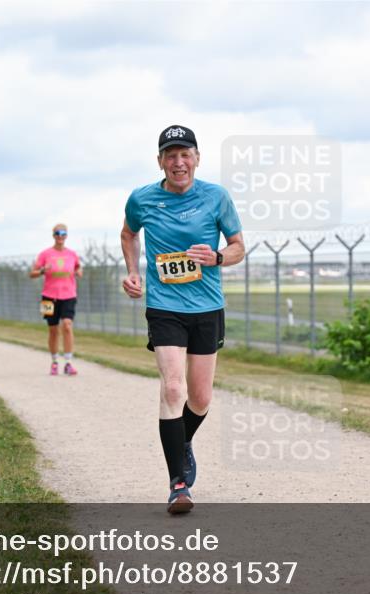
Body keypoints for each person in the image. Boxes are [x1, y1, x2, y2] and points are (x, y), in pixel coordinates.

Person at [121, 125, 246, 514]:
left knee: (201, 397)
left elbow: (239, 246)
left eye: (185, 154)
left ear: (197, 158)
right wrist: (132, 271)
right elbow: (129, 234)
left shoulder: (216, 197)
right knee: (173, 389)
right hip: (164, 306)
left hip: (207, 307)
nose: (178, 162)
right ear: (160, 161)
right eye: (170, 155)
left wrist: (219, 257)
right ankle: (178, 483)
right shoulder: (142, 198)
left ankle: (180, 441)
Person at [30, 223, 83, 376]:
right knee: (53, 330)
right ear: (53, 235)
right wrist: (41, 271)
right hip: (48, 296)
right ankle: (54, 361)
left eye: (63, 233)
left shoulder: (72, 254)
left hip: (69, 295)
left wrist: (79, 271)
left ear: (66, 235)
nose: (60, 236)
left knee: (67, 325)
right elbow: (31, 273)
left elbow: (78, 267)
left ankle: (68, 362)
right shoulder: (45, 254)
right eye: (57, 233)